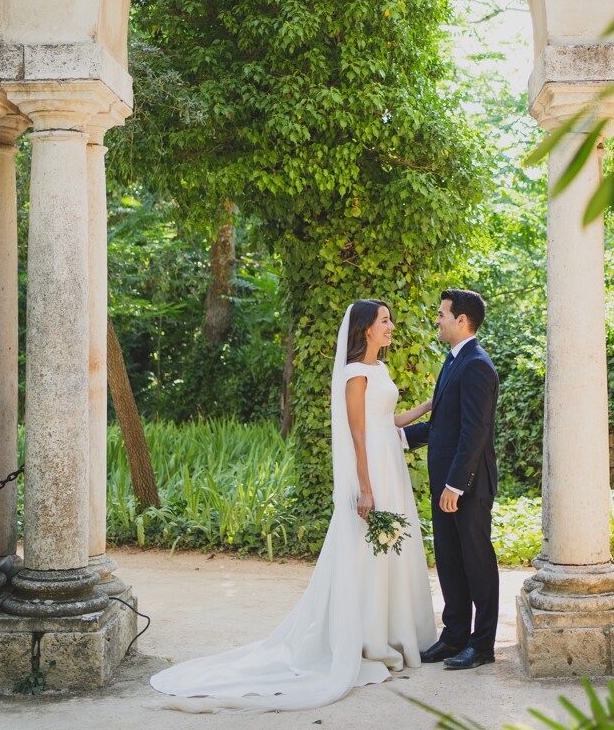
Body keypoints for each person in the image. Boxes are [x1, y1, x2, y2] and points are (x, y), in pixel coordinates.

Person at [149, 299, 436, 712]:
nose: (391, 325)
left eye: (390, 319)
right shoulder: (354, 374)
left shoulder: (381, 369)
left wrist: (427, 407)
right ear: (365, 329)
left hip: (391, 464)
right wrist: (366, 488)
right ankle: (366, 636)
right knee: (364, 552)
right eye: (384, 320)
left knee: (390, 550)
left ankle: (391, 630)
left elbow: (386, 422)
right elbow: (358, 434)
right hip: (370, 467)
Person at [403, 289, 500, 670]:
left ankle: (482, 644)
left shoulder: (477, 364)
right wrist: (394, 438)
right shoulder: (452, 361)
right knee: (449, 559)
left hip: (467, 487)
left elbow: (474, 432)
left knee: (476, 562)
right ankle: (454, 635)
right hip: (447, 483)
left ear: (462, 320)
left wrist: (456, 485)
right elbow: (444, 425)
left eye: (443, 314)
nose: (438, 319)